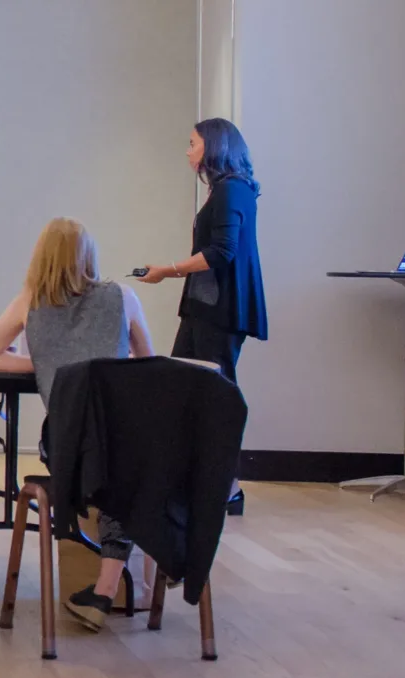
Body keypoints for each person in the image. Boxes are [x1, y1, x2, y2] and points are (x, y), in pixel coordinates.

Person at [0, 217, 154, 631]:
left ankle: (105, 592)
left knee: (108, 472)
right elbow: (150, 367)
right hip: (122, 435)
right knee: (126, 473)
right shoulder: (122, 297)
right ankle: (110, 587)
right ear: (89, 255)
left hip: (65, 443)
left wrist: (49, 365)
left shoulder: (31, 301)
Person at [137, 117, 262, 511]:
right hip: (204, 309)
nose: (188, 151)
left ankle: (225, 487)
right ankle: (207, 482)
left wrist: (167, 270)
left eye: (192, 143)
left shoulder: (231, 191)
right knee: (189, 392)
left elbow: (222, 252)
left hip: (218, 312)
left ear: (212, 146)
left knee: (212, 396)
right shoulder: (225, 191)